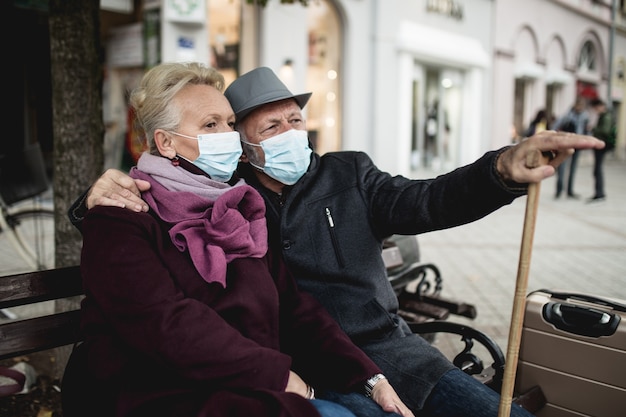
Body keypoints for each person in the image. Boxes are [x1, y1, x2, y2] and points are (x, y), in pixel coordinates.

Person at [68, 66, 605, 417]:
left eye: (295, 120)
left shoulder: (347, 175)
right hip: (292, 364)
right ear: (245, 145)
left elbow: (429, 200)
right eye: (267, 126)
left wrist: (501, 171)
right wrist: (92, 195)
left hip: (384, 351)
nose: (289, 133)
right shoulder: (228, 191)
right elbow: (147, 216)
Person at [61, 62, 413, 417]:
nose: (228, 135)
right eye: (210, 124)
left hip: (243, 383)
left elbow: (294, 307)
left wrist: (368, 377)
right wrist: (279, 377)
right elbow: (164, 325)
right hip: (154, 390)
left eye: (230, 124)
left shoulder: (237, 209)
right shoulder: (121, 216)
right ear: (165, 142)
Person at [551, 96, 590, 199]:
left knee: (573, 169)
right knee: (562, 167)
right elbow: (555, 126)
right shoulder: (567, 115)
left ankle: (570, 191)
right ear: (575, 105)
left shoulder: (585, 116)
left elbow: (587, 130)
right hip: (566, 144)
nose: (580, 108)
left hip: (578, 144)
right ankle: (559, 190)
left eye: (582, 106)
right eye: (579, 105)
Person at [587, 98, 615, 202]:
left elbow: (605, 131)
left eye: (595, 108)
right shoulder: (604, 115)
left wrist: (593, 129)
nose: (595, 110)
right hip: (600, 145)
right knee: (597, 169)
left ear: (599, 106)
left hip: (602, 145)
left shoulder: (606, 116)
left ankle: (600, 194)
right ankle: (598, 193)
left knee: (597, 169)